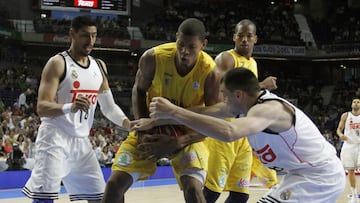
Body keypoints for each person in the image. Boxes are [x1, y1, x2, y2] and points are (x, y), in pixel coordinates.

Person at [141, 68, 346, 202]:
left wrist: (175, 111)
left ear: (238, 95)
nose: (221, 99)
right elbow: (204, 113)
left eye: (224, 94)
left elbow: (230, 132)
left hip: (321, 176)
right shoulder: (243, 105)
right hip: (299, 174)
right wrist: (160, 119)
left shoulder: (269, 110)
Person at [102, 18, 220, 203]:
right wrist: (142, 132)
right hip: (151, 127)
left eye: (191, 47)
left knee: (193, 188)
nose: (184, 51)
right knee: (114, 185)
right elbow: (139, 91)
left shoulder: (211, 73)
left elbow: (214, 121)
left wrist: (178, 141)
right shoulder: (153, 58)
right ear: (176, 38)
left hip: (189, 134)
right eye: (181, 45)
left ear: (203, 45)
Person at [22, 15, 130, 203]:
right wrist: (69, 107)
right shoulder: (57, 63)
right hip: (54, 138)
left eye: (94, 35)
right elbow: (42, 107)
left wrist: (128, 123)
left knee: (102, 197)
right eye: (85, 35)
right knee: (44, 198)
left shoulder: (99, 66)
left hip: (81, 142)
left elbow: (109, 107)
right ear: (71, 34)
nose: (90, 41)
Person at [203, 19, 278, 203]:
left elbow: (247, 100)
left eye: (249, 36)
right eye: (241, 35)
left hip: (242, 135)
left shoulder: (252, 62)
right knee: (211, 191)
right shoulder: (226, 58)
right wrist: (261, 86)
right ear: (234, 37)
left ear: (255, 39)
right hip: (223, 133)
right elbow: (219, 96)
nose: (245, 39)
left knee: (240, 195)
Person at [337, 97, 360, 203]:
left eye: (358, 102)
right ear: (351, 104)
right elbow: (339, 129)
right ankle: (354, 196)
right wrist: (341, 135)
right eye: (354, 102)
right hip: (349, 145)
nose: (356, 103)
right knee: (350, 171)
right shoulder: (345, 115)